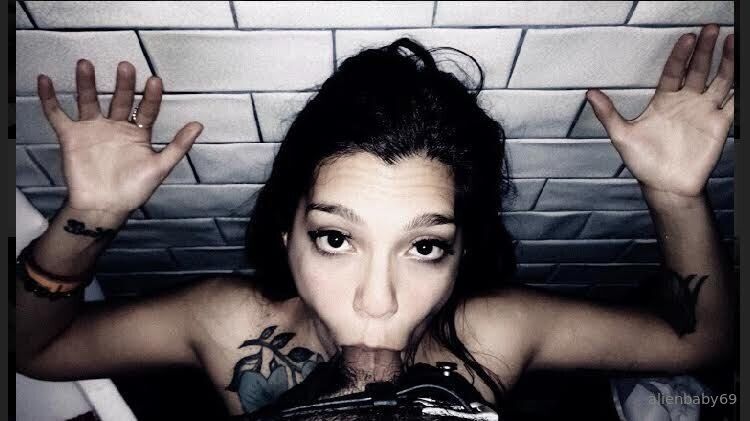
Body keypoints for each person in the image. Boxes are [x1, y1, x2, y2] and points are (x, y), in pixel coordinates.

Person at [15, 24, 736, 419]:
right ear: (287, 235)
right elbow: (35, 351)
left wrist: (675, 196)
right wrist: (89, 216)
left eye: (424, 246)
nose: (378, 300)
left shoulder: (496, 332)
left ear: (461, 253)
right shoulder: (227, 323)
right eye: (336, 238)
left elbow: (701, 343)